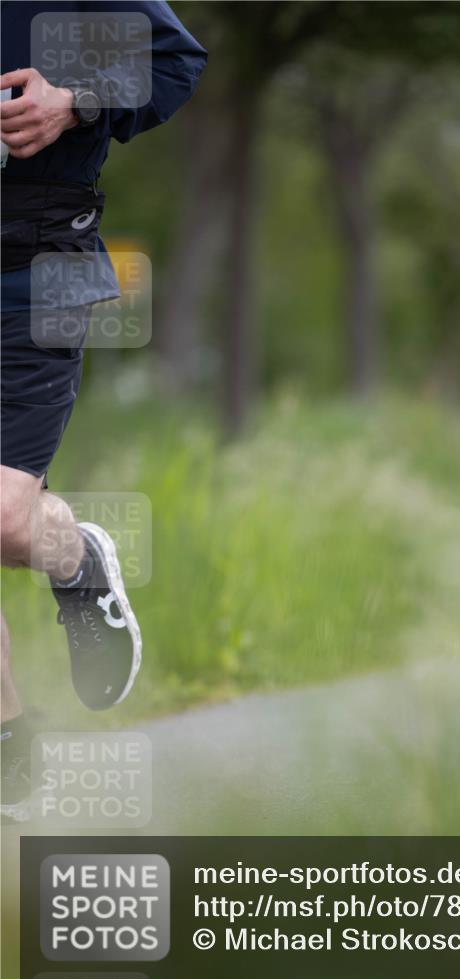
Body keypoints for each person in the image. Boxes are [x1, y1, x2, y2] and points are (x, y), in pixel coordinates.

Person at [0, 1, 207, 819]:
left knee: (7, 520)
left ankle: (77, 558)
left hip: (32, 275)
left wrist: (73, 99)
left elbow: (172, 65)